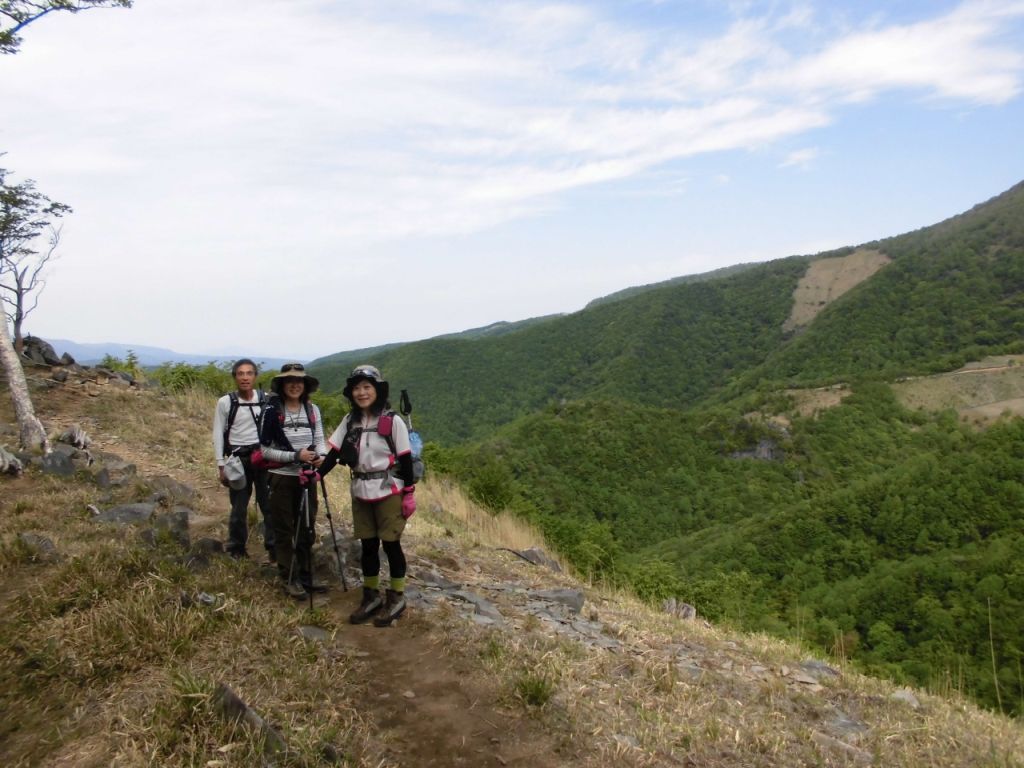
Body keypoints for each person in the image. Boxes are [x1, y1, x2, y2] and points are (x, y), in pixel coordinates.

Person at [321, 364, 416, 626]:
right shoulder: (350, 421)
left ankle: (396, 596)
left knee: (391, 545)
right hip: (361, 489)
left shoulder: (391, 420)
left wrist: (409, 492)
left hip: (388, 490)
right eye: (357, 388)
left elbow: (406, 459)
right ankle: (371, 594)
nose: (362, 393)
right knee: (368, 546)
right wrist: (318, 475)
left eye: (367, 387)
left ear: (377, 390)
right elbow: (334, 452)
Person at [258, 362, 327, 598]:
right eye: (290, 381)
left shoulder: (312, 410)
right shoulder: (272, 412)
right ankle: (289, 577)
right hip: (281, 478)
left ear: (305, 385)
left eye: (299, 381)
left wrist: (321, 457)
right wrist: (294, 456)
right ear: (282, 385)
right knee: (284, 529)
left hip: (307, 477)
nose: (295, 385)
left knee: (307, 527)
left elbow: (320, 440)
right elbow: (265, 451)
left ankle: (306, 576)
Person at [212, 358, 273, 560]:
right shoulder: (225, 402)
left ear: (255, 376)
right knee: (239, 507)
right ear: (235, 377)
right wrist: (221, 465)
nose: (245, 377)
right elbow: (218, 433)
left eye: (249, 373)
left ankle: (274, 547)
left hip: (263, 458)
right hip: (238, 460)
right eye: (240, 374)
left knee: (269, 505)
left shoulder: (265, 399)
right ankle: (237, 548)